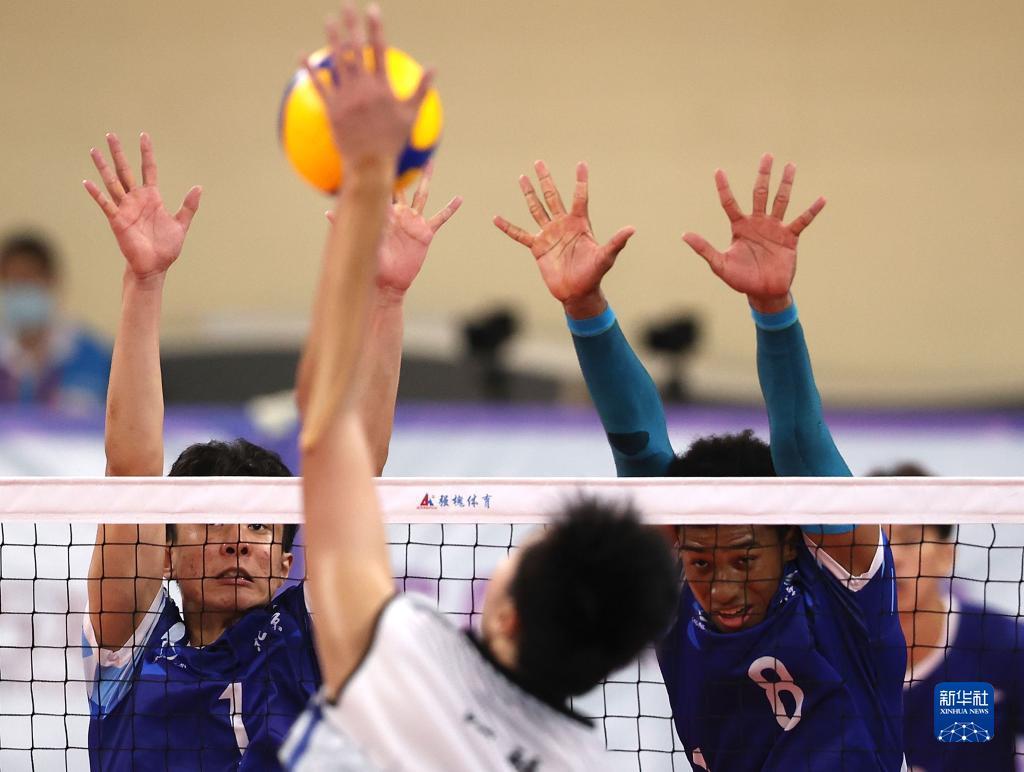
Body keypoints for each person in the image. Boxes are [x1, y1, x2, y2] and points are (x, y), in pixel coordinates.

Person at [280, 8, 679, 770]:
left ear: (506, 616)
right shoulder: (587, 765)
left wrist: (366, 180)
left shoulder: (405, 660)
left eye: (524, 553)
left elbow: (324, 421)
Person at [80, 89, 460, 772]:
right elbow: (132, 473)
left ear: (286, 562)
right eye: (211, 523)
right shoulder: (128, 641)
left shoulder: (314, 637)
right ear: (164, 554)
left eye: (260, 526)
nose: (238, 541)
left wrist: (387, 299)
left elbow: (357, 470)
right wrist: (145, 282)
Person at [496, 155, 906, 770]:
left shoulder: (840, 587)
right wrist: (584, 305)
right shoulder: (673, 589)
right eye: (701, 563)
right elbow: (639, 450)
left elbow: (799, 443)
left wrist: (774, 308)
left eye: (744, 559)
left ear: (789, 541)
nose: (722, 587)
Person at [872, 463, 1024, 771]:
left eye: (910, 540)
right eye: (877, 543)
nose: (893, 556)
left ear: (946, 555)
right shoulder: (828, 651)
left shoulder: (1008, 645)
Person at [0, 232, 111, 409]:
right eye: (12, 281)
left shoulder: (89, 352)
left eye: (28, 279)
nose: (20, 289)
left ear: (51, 281)